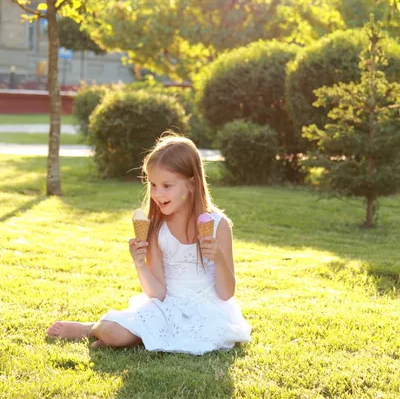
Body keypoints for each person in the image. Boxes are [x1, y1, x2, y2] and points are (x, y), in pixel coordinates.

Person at [47, 133, 251, 355]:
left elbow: (226, 292)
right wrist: (140, 263)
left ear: (191, 184)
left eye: (166, 185)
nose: (157, 193)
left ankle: (133, 336)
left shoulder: (219, 225)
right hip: (166, 306)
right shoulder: (156, 228)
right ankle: (91, 328)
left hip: (208, 310)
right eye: (153, 184)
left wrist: (219, 257)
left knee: (199, 336)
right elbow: (157, 293)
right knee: (112, 332)